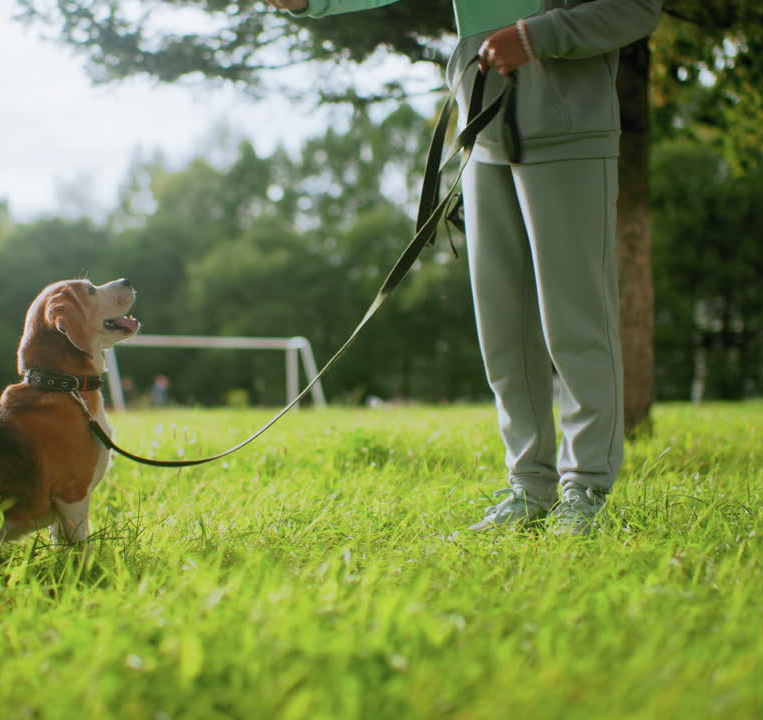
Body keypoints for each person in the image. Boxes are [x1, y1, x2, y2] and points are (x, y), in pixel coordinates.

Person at [264, 0, 662, 534]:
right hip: (485, 127)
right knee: (503, 330)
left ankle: (585, 488)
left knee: (575, 322)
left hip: (568, 130)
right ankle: (529, 486)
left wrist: (537, 35)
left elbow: (636, 8)